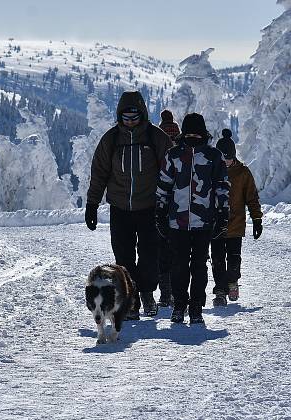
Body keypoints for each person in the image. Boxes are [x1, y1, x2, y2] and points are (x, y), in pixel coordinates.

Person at [85, 91, 172, 319]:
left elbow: (172, 171)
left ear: (142, 114)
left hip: (149, 206)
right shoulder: (111, 139)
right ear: (119, 117)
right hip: (120, 207)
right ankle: (131, 301)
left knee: (149, 255)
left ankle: (147, 294)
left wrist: (171, 202)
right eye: (126, 118)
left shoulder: (156, 138)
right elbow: (99, 173)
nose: (130, 122)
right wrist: (92, 204)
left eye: (134, 117)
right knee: (123, 256)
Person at [156, 113, 230, 324]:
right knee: (178, 265)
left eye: (197, 133)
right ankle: (179, 305)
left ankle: (196, 306)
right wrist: (160, 213)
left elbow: (222, 186)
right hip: (177, 222)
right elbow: (163, 185)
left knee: (199, 265)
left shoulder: (213, 156)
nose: (193, 137)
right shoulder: (174, 155)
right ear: (183, 133)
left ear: (203, 133)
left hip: (204, 221)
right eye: (189, 133)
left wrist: (223, 215)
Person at [211, 129, 263, 306]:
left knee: (233, 258)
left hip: (235, 225)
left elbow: (252, 197)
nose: (224, 162)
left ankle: (232, 282)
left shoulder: (242, 173)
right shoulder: (210, 171)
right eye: (221, 158)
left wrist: (256, 219)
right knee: (217, 259)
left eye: (227, 158)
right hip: (215, 226)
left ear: (233, 156)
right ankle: (220, 291)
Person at [156, 109, 181, 306]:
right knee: (178, 249)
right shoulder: (180, 142)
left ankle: (165, 294)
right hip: (180, 202)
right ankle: (177, 291)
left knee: (162, 248)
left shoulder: (158, 140)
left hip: (162, 200)